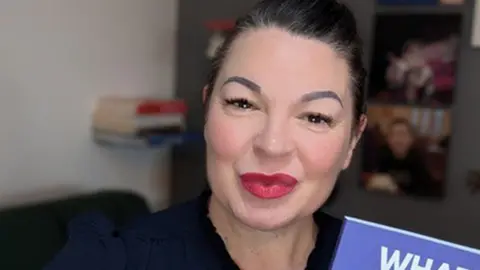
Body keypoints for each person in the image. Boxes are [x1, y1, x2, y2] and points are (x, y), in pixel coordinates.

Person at [44, 0, 367, 269]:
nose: (272, 145)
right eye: (243, 103)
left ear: (352, 140)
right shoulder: (115, 261)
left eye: (315, 117)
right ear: (207, 109)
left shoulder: (377, 261)